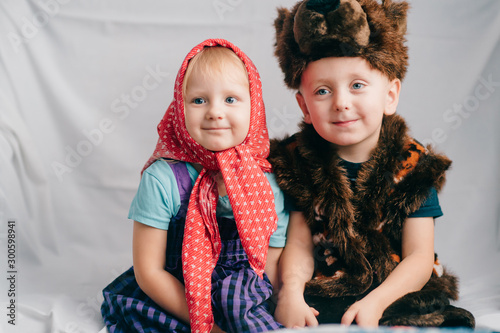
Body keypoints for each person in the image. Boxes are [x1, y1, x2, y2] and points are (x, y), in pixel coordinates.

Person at [269, 0, 475, 328]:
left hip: (399, 282)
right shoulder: (300, 163)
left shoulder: (412, 164)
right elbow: (298, 243)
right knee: (280, 303)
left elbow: (419, 257)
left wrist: (378, 301)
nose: (341, 103)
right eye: (322, 91)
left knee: (433, 309)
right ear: (304, 107)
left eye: (357, 86)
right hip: (332, 281)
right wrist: (291, 292)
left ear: (390, 95)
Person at [101, 39, 289, 333]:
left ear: (254, 109)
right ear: (179, 108)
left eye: (230, 99)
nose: (215, 112)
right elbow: (148, 271)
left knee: (237, 303)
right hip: (175, 292)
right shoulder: (163, 179)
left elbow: (271, 262)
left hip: (240, 295)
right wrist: (208, 326)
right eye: (199, 100)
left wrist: (277, 302)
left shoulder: (264, 183)